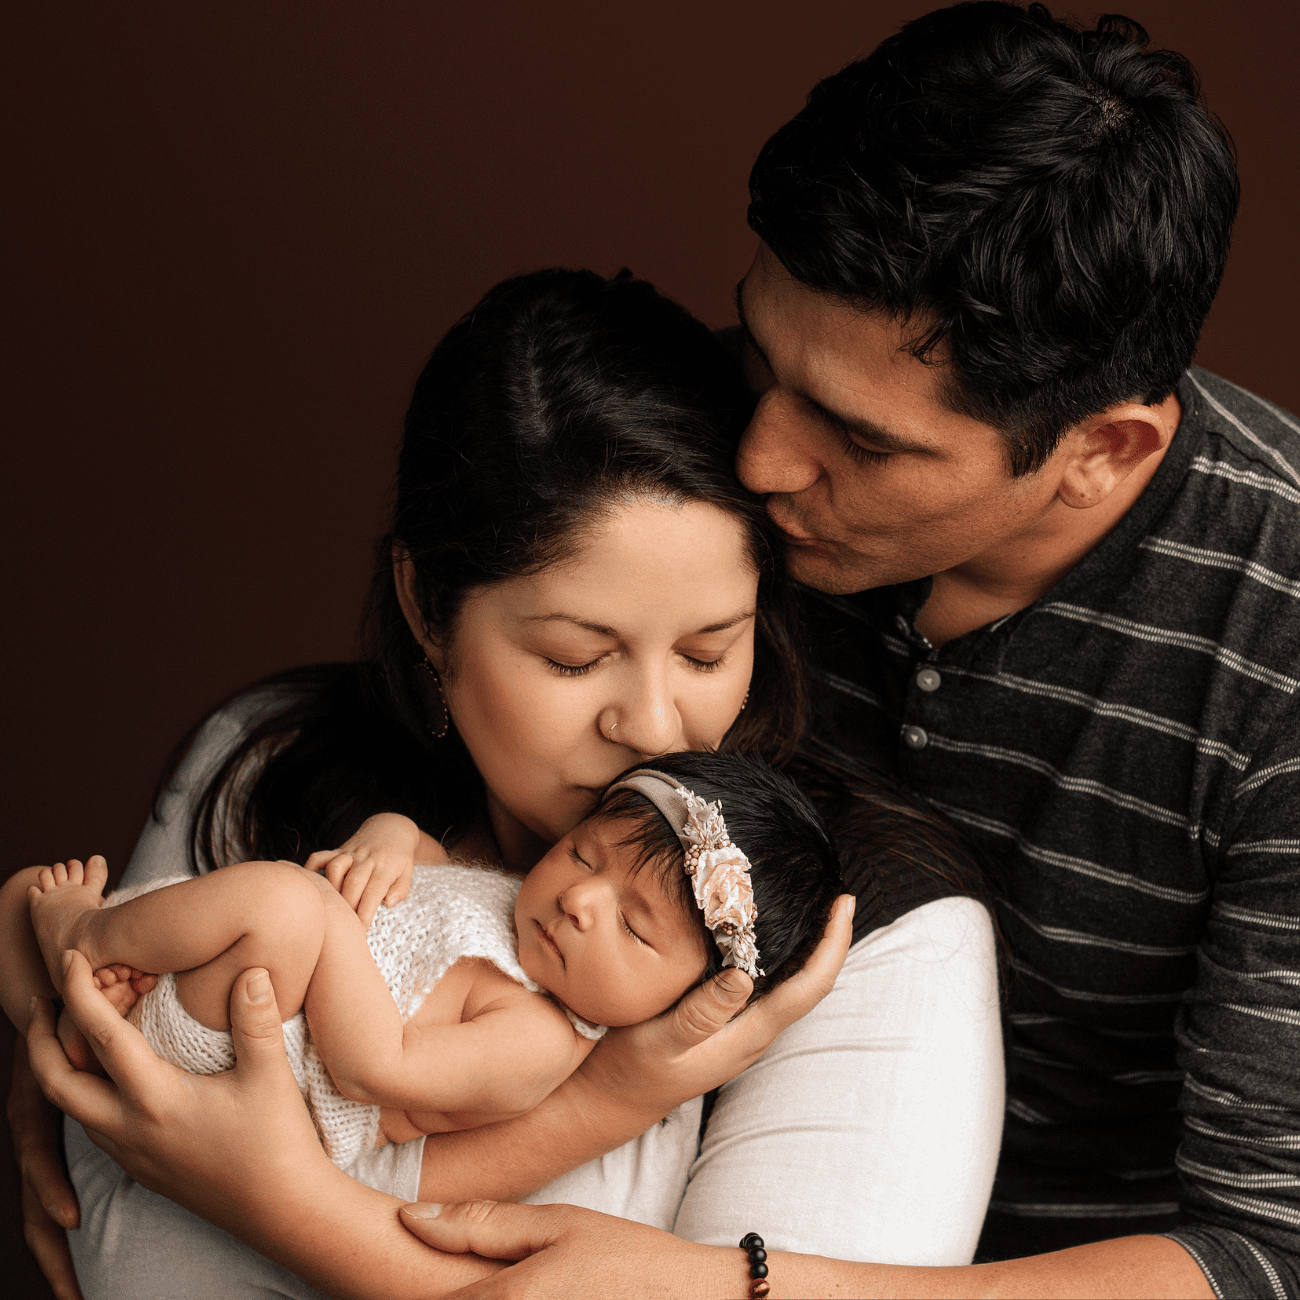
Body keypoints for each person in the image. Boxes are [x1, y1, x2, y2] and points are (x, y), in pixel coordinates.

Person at [338, 3, 1298, 1294]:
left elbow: (1268, 1251)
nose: (760, 460)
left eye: (865, 441)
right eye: (766, 351)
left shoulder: (1278, 651)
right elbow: (463, 678)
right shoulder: (729, 443)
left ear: (1100, 452)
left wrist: (745, 1288)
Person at [12, 265, 1002, 1298]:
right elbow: (104, 1009)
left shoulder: (870, 938)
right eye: (576, 658)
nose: (656, 725)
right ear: (428, 607)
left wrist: (282, 1199)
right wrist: (37, 984)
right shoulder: (272, 759)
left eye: (709, 652)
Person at [4, 754, 842, 1168]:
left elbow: (375, 1069)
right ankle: (76, 1008)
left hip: (250, 1068)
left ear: (680, 1000)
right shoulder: (508, 899)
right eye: (585, 857)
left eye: (634, 927)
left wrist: (329, 921)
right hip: (203, 980)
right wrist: (385, 842)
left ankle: (87, 942)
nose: (582, 902)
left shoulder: (540, 1041)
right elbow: (416, 850)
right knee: (15, 895)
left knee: (288, 907)